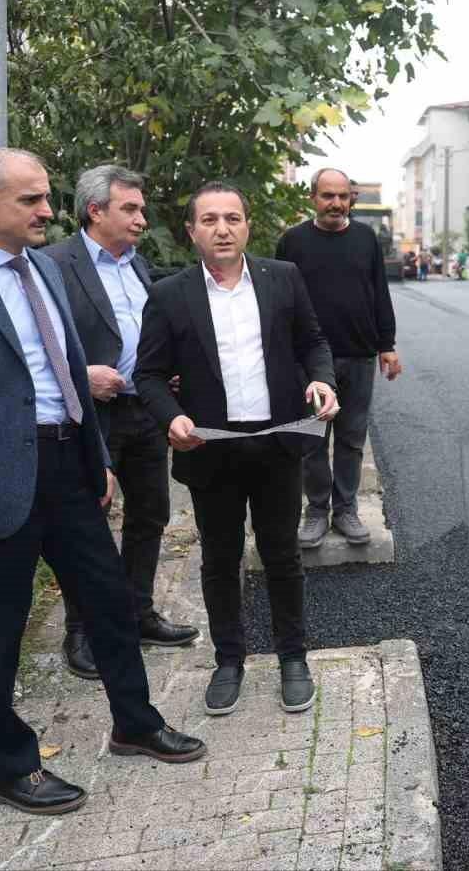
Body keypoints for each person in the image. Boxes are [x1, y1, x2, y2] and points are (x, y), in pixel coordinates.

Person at [0, 149, 204, 817]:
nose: (46, 211)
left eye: (45, 197)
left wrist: (96, 458)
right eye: (30, 200)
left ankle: (135, 723)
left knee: (110, 602)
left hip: (68, 466)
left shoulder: (45, 269)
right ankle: (7, 768)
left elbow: (67, 374)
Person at [134, 181, 339, 717]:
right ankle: (229, 661)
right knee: (220, 561)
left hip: (277, 444)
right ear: (191, 231)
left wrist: (322, 380)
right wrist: (171, 416)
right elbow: (148, 374)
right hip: (211, 449)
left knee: (282, 556)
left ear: (248, 226)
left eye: (232, 218)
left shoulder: (283, 278)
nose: (222, 229)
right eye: (209, 220)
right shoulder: (170, 294)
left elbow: (313, 343)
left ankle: (293, 658)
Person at [41, 165, 199, 681]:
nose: (141, 219)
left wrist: (165, 371)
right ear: (95, 210)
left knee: (150, 514)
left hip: (144, 411)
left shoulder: (138, 265)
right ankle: (83, 629)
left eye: (141, 209)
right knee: (87, 524)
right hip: (91, 416)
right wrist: (80, 376)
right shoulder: (53, 264)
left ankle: (137, 614)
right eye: (130, 208)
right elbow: (33, 343)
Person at [275, 170, 402, 550]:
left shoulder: (365, 239)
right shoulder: (293, 242)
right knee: (312, 439)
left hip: (359, 355)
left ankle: (346, 510)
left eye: (343, 197)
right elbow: (279, 302)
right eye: (328, 196)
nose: (336, 203)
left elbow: (379, 291)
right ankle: (316, 511)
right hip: (311, 363)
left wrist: (387, 344)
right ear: (313, 197)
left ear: (351, 199)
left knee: (351, 438)